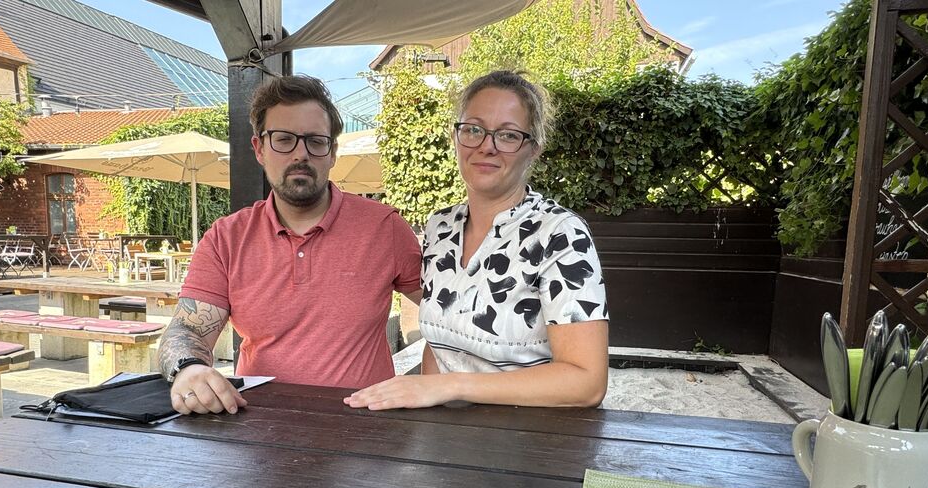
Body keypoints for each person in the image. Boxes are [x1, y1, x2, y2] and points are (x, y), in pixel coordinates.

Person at [345, 70, 608, 410]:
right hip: (451, 439)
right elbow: (438, 346)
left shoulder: (558, 233)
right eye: (473, 129)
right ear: (456, 138)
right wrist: (429, 400)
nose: (487, 145)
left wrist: (452, 386)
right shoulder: (441, 227)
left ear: (533, 150)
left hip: (535, 441)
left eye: (508, 135)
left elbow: (586, 383)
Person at [160, 75, 422, 415]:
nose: (301, 154)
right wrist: (188, 369)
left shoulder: (385, 228)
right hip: (260, 428)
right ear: (259, 149)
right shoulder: (227, 238)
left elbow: (449, 317)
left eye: (315, 141)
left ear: (332, 153)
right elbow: (187, 328)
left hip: (365, 431)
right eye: (284, 140)